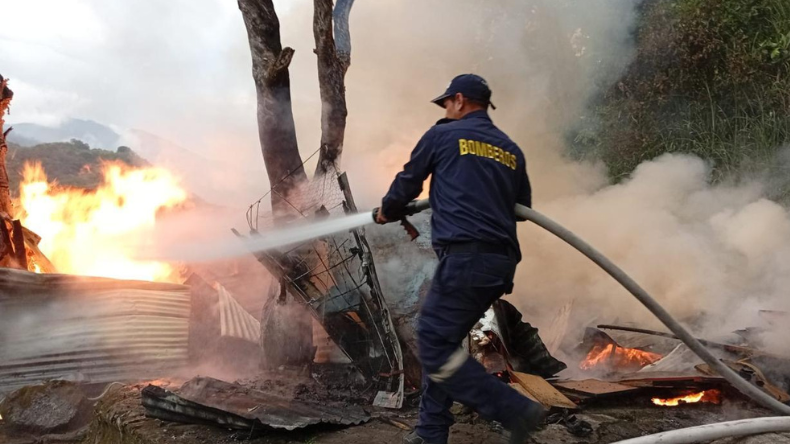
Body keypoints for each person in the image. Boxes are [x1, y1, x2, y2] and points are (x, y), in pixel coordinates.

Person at [376, 74, 543, 444]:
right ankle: (431, 431)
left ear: (460, 100)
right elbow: (522, 209)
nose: (446, 110)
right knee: (446, 344)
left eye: (447, 103)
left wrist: (388, 210)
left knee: (433, 342)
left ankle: (516, 410)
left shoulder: (443, 135)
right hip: (500, 263)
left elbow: (407, 183)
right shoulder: (510, 149)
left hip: (466, 258)